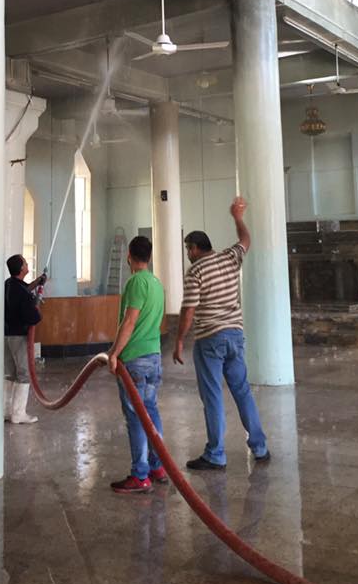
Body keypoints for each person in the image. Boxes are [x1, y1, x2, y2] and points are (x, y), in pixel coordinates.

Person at [173, 197, 269, 470]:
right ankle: (260, 447)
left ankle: (216, 454)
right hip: (235, 336)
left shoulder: (195, 271)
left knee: (213, 395)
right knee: (242, 391)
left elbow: (188, 310)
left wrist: (179, 340)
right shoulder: (230, 257)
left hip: (210, 340)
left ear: (194, 248)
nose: (188, 254)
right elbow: (246, 240)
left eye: (188, 249)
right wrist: (237, 217)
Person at [107, 235, 167, 494]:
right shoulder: (156, 283)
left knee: (135, 416)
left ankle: (140, 475)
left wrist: (114, 352)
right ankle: (158, 466)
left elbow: (130, 321)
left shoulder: (135, 282)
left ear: (129, 256)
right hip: (154, 357)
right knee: (150, 411)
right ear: (150, 257)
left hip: (135, 360)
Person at [4, 254, 46, 425]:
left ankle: (6, 411)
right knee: (23, 374)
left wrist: (37, 282)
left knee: (10, 373)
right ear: (21, 268)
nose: (27, 264)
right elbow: (33, 317)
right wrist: (37, 308)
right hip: (19, 337)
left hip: (7, 335)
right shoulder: (22, 293)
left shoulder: (9, 284)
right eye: (26, 263)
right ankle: (19, 413)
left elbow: (25, 289)